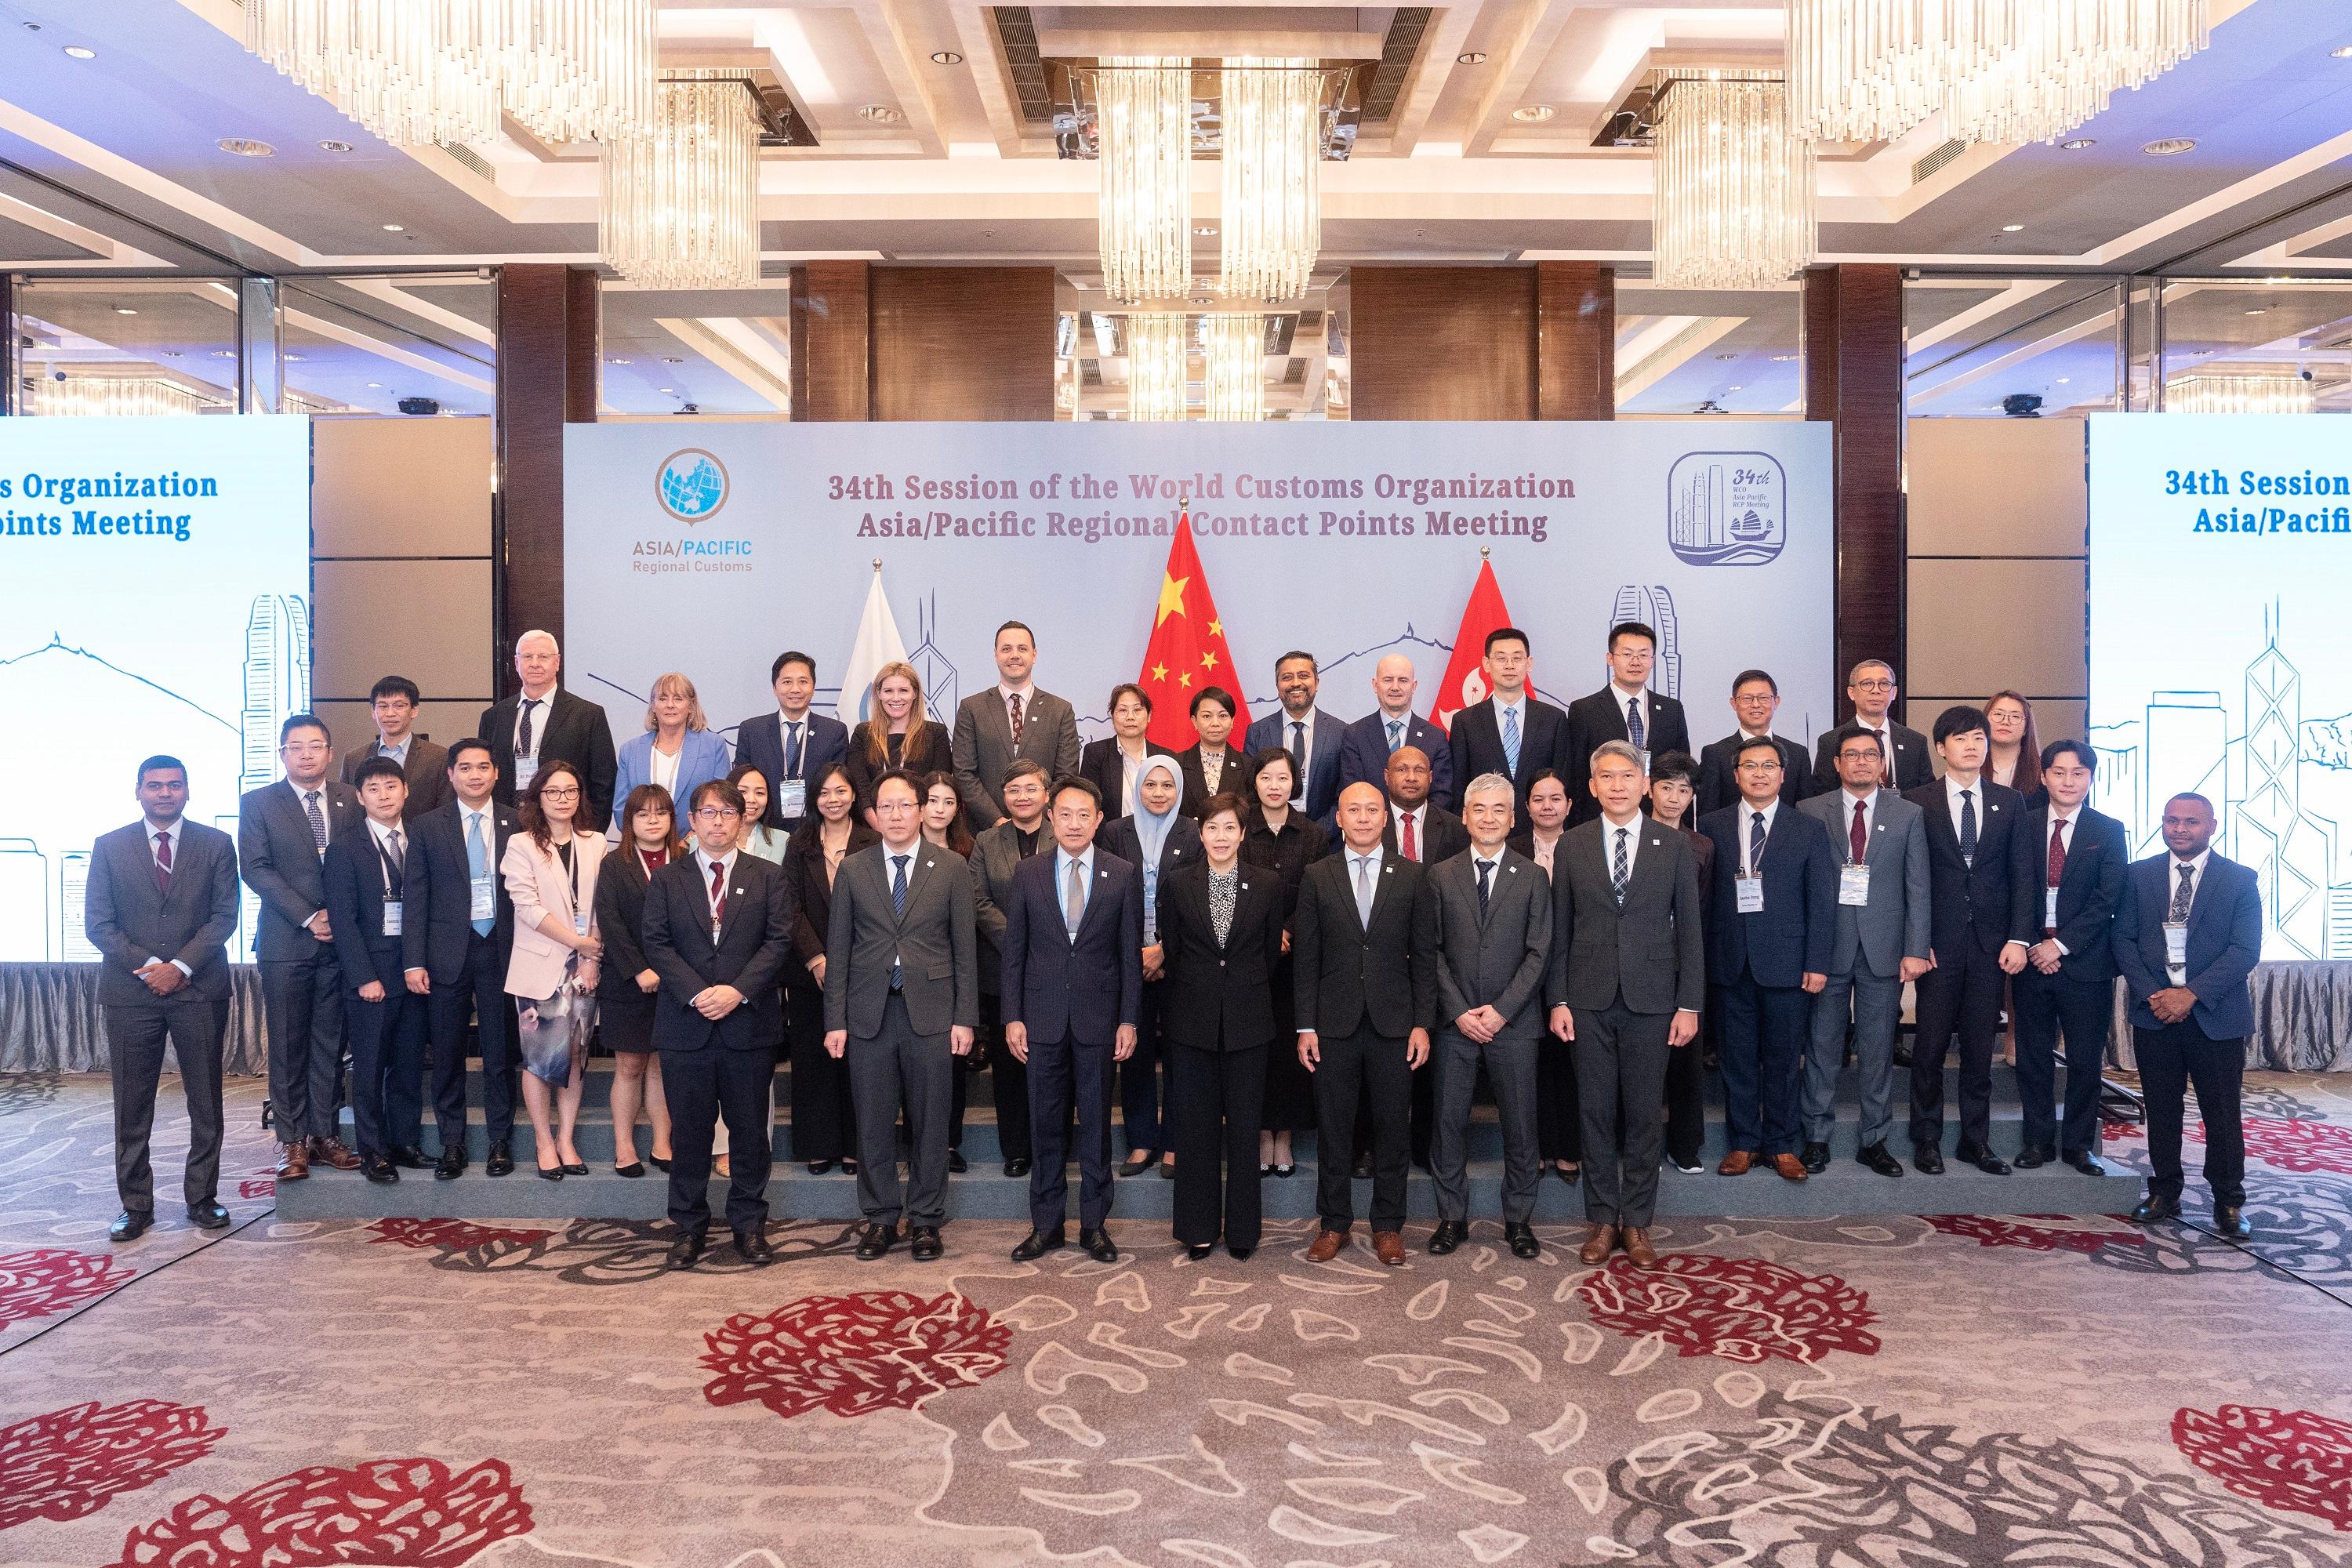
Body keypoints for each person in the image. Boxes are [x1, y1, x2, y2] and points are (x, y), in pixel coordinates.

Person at [1545, 742, 1704, 1267]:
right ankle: (1600, 1220)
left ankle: (1636, 1224)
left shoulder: (1673, 845)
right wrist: (1558, 999)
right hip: (1586, 1000)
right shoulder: (1572, 845)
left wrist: (1689, 1005)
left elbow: (1691, 933)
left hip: (1654, 999)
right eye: (1606, 776)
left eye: (1627, 776)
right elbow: (1560, 930)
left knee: (1641, 1114)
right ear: (1591, 787)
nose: (1617, 785)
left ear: (1643, 785)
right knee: (1593, 1111)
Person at [823, 770, 979, 1262]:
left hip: (933, 1014)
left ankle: (928, 1220)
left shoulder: (952, 867)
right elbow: (840, 948)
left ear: (921, 810)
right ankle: (880, 1218)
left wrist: (965, 1017)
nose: (895, 815)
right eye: (886, 806)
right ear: (873, 813)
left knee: (931, 1121)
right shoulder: (853, 868)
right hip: (868, 1013)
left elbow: (964, 950)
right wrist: (835, 1019)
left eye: (905, 805)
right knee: (871, 1120)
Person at [644, 778, 797, 1269]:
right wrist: (696, 992)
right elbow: (657, 942)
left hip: (747, 1024)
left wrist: (737, 991)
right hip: (686, 1027)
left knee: (749, 1131)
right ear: (692, 820)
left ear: (742, 819)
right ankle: (688, 1227)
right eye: (708, 813)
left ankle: (749, 1226)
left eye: (728, 813)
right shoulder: (669, 879)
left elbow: (778, 942)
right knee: (689, 1131)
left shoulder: (768, 876)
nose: (718, 822)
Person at [86, 756, 240, 1240]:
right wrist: (152, 967)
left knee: (206, 1100)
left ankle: (203, 1199)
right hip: (132, 993)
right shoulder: (108, 847)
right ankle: (135, 1206)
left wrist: (181, 967)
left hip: (199, 990)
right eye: (155, 786)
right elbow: (98, 923)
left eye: (174, 786)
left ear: (188, 791)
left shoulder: (217, 844)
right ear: (138, 791)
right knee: (132, 1102)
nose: (165, 793)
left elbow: (224, 917)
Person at [1002, 777, 1145, 1264]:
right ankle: (1045, 1226)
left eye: (1084, 814)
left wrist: (1129, 1020)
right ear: (1050, 817)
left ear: (1099, 819)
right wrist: (1011, 1016)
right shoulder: (1028, 872)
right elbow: (1014, 952)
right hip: (1040, 1020)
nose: (1075, 823)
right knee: (1044, 1125)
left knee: (1097, 1128)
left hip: (1099, 1021)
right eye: (1065, 814)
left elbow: (1129, 955)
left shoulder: (1122, 873)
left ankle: (1094, 1226)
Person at [1295, 781, 1438, 1266]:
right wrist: (1304, 1026)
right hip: (1332, 1024)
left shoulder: (1415, 876)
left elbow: (1423, 957)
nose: (1361, 818)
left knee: (1392, 1128)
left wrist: (1423, 1023)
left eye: (1371, 810)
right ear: (1338, 818)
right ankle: (1334, 1224)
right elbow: (1306, 958)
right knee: (1334, 1129)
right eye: (1352, 809)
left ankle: (1388, 1226)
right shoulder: (1317, 875)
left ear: (1385, 818)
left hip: (1395, 1024)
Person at [2114, 793, 2261, 1238]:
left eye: (2191, 822)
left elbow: (2245, 950)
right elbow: (2122, 940)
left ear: (2212, 825)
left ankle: (2228, 1201)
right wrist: (2155, 994)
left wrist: (2191, 994)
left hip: (2216, 1015)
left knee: (2221, 1111)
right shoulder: (2138, 876)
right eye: (2172, 820)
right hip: (2155, 1011)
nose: (2180, 829)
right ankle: (2164, 1191)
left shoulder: (2239, 879)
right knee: (2161, 1108)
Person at [1904, 704, 2036, 1175]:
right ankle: (1926, 1139)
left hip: (1991, 945)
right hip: (1937, 946)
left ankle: (1975, 1142)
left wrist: (2020, 938)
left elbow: (2024, 878)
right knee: (1931, 1048)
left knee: (1980, 1049)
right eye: (1961, 739)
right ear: (1941, 749)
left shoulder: (2009, 802)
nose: (1972, 745)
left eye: (1979, 738)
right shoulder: (1915, 800)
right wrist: (1916, 942)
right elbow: (1907, 880)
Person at [1427, 773, 1553, 1260]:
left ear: (1512, 817)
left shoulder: (1533, 876)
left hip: (1514, 1023)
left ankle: (1519, 1219)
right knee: (1449, 1122)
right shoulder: (1440, 875)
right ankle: (1450, 1217)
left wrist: (1501, 1011)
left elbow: (1539, 953)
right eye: (1479, 809)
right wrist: (1459, 1011)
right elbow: (1431, 951)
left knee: (1521, 1125)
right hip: (1455, 1025)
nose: (1489, 818)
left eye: (1499, 810)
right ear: (1464, 816)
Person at [1699, 735, 1835, 1182]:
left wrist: (1817, 963)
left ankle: (1781, 1143)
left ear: (1783, 774)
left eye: (1768, 766)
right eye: (1749, 766)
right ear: (1735, 775)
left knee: (1782, 1058)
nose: (1759, 773)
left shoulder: (1809, 829)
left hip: (1788, 963)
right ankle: (1743, 1142)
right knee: (1737, 1059)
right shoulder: (1712, 824)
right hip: (1730, 961)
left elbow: (1821, 902)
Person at [1797, 725, 1930, 1178]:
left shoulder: (1909, 814)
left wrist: (1915, 949)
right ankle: (1815, 1136)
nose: (1860, 762)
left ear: (1882, 763)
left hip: (1885, 949)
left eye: (1870, 755)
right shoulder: (1809, 811)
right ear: (1836, 764)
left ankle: (1874, 1141)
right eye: (1851, 755)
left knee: (1877, 1050)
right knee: (1821, 1047)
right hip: (1826, 949)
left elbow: (1918, 886)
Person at [1158, 793, 1286, 1260]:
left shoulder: (1268, 885)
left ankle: (1244, 1232)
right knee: (1196, 1129)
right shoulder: (1176, 885)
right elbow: (1172, 949)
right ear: (1200, 832)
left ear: (1242, 833)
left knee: (1244, 1128)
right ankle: (1198, 1226)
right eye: (1212, 828)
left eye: (1229, 828)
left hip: (1250, 1024)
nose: (1220, 837)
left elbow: (1270, 954)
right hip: (1191, 1023)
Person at [240, 713, 365, 1181]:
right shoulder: (259, 802)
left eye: (316, 746)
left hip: (341, 944)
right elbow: (255, 868)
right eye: (296, 747)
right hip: (286, 940)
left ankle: (324, 1134)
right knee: (290, 1043)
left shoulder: (351, 799)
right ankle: (291, 1140)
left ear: (331, 753)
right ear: (283, 754)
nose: (306, 754)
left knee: (330, 1044)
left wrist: (342, 918)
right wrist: (310, 915)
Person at [401, 738, 520, 1178]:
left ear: (496, 773)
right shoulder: (428, 826)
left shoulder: (518, 823)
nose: (475, 775)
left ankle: (500, 1141)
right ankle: (453, 1143)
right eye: (465, 767)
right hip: (446, 954)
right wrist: (413, 961)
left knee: (499, 1053)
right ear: (450, 775)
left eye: (483, 767)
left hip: (502, 951)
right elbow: (416, 897)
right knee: (448, 1054)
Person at [2016, 740, 2127, 1174]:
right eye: (2059, 772)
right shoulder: (2021, 826)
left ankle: (2079, 1146)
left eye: (2078, 773)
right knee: (2033, 1056)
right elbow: (2014, 890)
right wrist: (2033, 945)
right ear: (2043, 777)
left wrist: (2060, 946)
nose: (2068, 781)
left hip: (2085, 963)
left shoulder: (2108, 830)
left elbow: (2108, 899)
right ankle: (2037, 1141)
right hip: (2030, 958)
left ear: (2090, 779)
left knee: (2084, 1059)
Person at [322, 756, 429, 1184]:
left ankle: (403, 1143)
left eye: (391, 787)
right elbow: (342, 920)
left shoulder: (420, 838)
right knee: (369, 1067)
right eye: (373, 789)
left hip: (416, 972)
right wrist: (364, 977)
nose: (384, 796)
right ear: (360, 797)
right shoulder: (345, 847)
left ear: (405, 791)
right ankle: (373, 1150)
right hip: (372, 976)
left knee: (408, 1065)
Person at [501, 760, 606, 1180]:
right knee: (540, 1059)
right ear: (538, 797)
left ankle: (566, 1139)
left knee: (575, 1056)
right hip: (541, 964)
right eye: (553, 792)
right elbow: (527, 907)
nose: (562, 799)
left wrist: (591, 954)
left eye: (570, 791)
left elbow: (602, 904)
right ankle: (544, 1143)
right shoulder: (521, 845)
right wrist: (577, 943)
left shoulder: (596, 842)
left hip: (586, 966)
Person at [1096, 755, 1200, 1179]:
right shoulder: (1114, 831)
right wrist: (1135, 952)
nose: (1158, 793)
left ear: (1178, 789)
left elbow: (1198, 899)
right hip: (1126, 960)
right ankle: (1141, 1140)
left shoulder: (1194, 831)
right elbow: (1105, 894)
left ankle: (1175, 1142)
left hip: (1180, 961)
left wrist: (1163, 950)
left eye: (1167, 785)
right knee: (1132, 1051)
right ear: (1137, 788)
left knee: (1181, 1053)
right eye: (1150, 785)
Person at [780, 762, 873, 1174]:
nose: (832, 800)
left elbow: (881, 907)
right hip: (808, 972)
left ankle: (855, 1146)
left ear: (854, 795)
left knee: (860, 1060)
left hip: (864, 969)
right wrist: (816, 957)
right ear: (813, 799)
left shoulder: (873, 841)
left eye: (840, 791)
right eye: (824, 793)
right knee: (813, 1058)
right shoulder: (798, 844)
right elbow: (789, 908)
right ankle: (818, 1145)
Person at [1240, 748, 1325, 1177]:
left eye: (1283, 779)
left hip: (1297, 958)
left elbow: (1317, 894)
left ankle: (1285, 1135)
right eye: (1266, 778)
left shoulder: (1312, 834)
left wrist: (1288, 930)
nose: (1275, 786)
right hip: (1248, 958)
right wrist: (1266, 933)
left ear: (1296, 783)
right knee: (1255, 1048)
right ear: (1254, 782)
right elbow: (1230, 886)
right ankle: (1258, 1134)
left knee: (1291, 1049)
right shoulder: (1239, 829)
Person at [969, 758, 1054, 1179]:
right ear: (1004, 796)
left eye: (1030, 788)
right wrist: (1020, 942)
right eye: (1014, 790)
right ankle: (1017, 1147)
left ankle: (1052, 1144)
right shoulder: (987, 840)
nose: (1022, 796)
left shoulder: (1067, 834)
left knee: (1054, 1059)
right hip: (1003, 968)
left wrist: (1047, 943)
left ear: (1046, 794)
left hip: (1059, 969)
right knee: (1008, 1064)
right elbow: (978, 900)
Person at [594, 783, 681, 1177]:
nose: (652, 820)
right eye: (643, 814)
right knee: (629, 1064)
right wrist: (639, 970)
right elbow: (610, 922)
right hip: (626, 981)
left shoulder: (685, 859)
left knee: (663, 1063)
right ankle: (624, 1146)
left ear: (671, 819)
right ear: (629, 821)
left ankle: (663, 1142)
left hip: (676, 981)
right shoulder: (614, 863)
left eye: (660, 813)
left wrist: (672, 971)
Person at [1643, 751, 1712, 1174]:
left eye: (1683, 790)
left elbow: (1701, 913)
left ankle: (1685, 1146)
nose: (1673, 797)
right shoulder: (1629, 835)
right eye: (1666, 787)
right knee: (1639, 1062)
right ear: (1649, 788)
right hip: (1636, 963)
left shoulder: (1701, 846)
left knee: (1687, 1060)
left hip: (1682, 962)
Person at [1509, 770, 1577, 1185]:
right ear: (1527, 806)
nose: (1547, 806)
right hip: (1521, 970)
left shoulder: (1587, 846)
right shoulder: (1512, 850)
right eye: (1538, 799)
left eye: (1556, 798)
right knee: (1527, 1067)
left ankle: (1568, 1149)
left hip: (1573, 969)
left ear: (1570, 804)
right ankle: (1531, 1149)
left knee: (1568, 1063)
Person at [480, 630, 619, 833]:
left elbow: (604, 784)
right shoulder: (493, 716)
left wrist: (589, 833)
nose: (535, 663)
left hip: (568, 829)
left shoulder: (588, 715)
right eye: (527, 657)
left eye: (543, 657)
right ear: (517, 663)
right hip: (505, 829)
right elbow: (486, 774)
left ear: (557, 663)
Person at [953, 619, 1083, 833]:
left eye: (1022, 648)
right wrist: (997, 821)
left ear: (1034, 654)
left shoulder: (1060, 710)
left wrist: (1034, 820)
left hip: (1044, 831)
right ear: (996, 655)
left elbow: (1066, 776)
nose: (1014, 655)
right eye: (1006, 649)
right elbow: (964, 773)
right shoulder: (972, 708)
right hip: (985, 832)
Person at [1565, 622, 1692, 827]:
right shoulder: (1585, 710)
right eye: (1627, 654)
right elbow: (1577, 775)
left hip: (1659, 821)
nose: (1636, 662)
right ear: (1610, 659)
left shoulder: (1671, 710)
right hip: (1602, 819)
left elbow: (1683, 772)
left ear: (1652, 660)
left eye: (1643, 655)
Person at [919, 768, 980, 1169]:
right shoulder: (892, 850)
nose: (940, 809)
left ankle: (947, 1143)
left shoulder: (968, 852)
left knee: (951, 1066)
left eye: (949, 802)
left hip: (951, 974)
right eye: (932, 800)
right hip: (906, 978)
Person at [1448, 627, 1569, 815]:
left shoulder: (1554, 719)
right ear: (1486, 664)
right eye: (1501, 658)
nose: (1510, 665)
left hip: (1538, 827)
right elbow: (1459, 788)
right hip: (1486, 827)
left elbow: (1562, 782)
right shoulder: (1465, 722)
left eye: (1517, 658)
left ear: (1529, 663)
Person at [735, 650, 849, 837]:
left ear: (813, 687)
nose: (795, 689)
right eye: (787, 682)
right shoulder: (752, 730)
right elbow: (740, 786)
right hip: (763, 831)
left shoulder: (834, 731)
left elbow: (839, 785)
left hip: (817, 832)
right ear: (775, 687)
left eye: (803, 681)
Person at [611, 672, 731, 833]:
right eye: (662, 699)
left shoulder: (713, 745)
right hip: (643, 847)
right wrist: (646, 839)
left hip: (695, 847)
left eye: (678, 698)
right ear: (653, 706)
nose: (670, 705)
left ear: (691, 706)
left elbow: (721, 801)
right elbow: (621, 809)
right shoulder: (630, 750)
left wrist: (690, 841)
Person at [1337, 653, 1454, 810]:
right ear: (1375, 684)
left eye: (1403, 680)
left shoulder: (1435, 737)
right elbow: (1352, 792)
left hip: (1421, 831)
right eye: (1388, 680)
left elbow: (1442, 796)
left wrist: (1411, 825)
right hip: (1372, 830)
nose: (1395, 687)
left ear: (1413, 686)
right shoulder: (1355, 735)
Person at [1243, 651, 1346, 826]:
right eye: (1287, 677)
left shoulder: (1341, 732)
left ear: (1317, 682)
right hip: (1270, 838)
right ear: (1277, 685)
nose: (1296, 683)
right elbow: (1250, 791)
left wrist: (1317, 834)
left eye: (1304, 676)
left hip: (1325, 841)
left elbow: (1344, 794)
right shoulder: (1257, 732)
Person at [1697, 670, 1813, 817]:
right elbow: (1708, 815)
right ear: (1733, 703)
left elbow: (1806, 811)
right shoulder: (1715, 754)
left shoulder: (1798, 753)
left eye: (1764, 698)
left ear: (1776, 702)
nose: (1756, 705)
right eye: (1747, 698)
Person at [1809, 659, 1932, 793]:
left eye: (1884, 684)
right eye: (1867, 684)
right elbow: (1822, 795)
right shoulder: (1830, 740)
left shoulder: (1915, 741)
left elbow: (1925, 794)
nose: (1876, 691)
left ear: (1894, 692)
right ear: (1851, 692)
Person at [844, 661, 951, 811]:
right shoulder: (863, 734)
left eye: (903, 690)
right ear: (879, 693)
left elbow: (937, 787)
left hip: (920, 823)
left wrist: (913, 821)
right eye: (888, 691)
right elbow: (860, 786)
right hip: (872, 825)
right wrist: (878, 821)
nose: (896, 698)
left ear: (914, 693)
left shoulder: (936, 734)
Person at [340, 676, 448, 818]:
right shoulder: (353, 759)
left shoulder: (440, 757)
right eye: (383, 706)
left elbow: (445, 813)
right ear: (373, 711)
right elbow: (348, 812)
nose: (390, 714)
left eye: (399, 706)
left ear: (414, 710)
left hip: (423, 840)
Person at [1078, 683, 1175, 819]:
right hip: (1110, 838)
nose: (1130, 717)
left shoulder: (1166, 757)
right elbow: (1088, 805)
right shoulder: (1096, 754)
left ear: (1149, 716)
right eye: (1123, 710)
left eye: (1137, 710)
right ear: (1112, 716)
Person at [1381, 746, 1468, 866]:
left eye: (1419, 770)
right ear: (1387, 776)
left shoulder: (1456, 828)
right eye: (1402, 769)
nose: (1411, 778)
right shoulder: (1370, 825)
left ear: (1430, 777)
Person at [1175, 686, 1255, 815]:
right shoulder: (1177, 764)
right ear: (1195, 721)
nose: (1215, 723)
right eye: (1207, 716)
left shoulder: (1249, 766)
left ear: (1232, 721)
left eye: (1223, 716)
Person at [1985, 691, 2045, 803]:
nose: (2005, 722)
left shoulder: (2042, 773)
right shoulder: (1970, 767)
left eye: (2015, 716)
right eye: (1998, 714)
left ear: (2026, 728)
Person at [725, 762, 790, 864]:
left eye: (760, 793)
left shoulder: (782, 840)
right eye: (742, 792)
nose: (752, 800)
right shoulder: (702, 840)